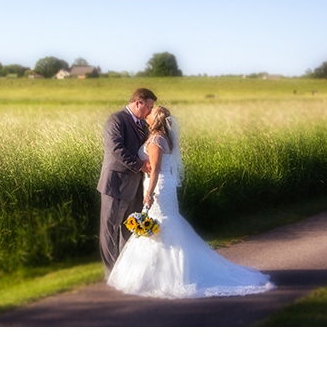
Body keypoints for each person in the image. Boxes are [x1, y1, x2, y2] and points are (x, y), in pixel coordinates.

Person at [107, 106, 275, 299]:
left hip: (158, 186)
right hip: (166, 184)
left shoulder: (155, 140)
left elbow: (155, 170)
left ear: (156, 120)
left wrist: (149, 193)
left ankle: (164, 275)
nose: (148, 114)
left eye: (151, 113)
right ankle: (171, 269)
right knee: (166, 223)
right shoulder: (165, 139)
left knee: (159, 223)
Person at [97, 88, 158, 277]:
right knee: (109, 230)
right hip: (115, 183)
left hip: (135, 186)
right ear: (137, 102)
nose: (149, 111)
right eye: (148, 107)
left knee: (129, 229)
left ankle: (126, 272)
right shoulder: (116, 120)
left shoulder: (142, 124)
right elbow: (116, 148)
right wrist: (139, 165)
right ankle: (112, 274)